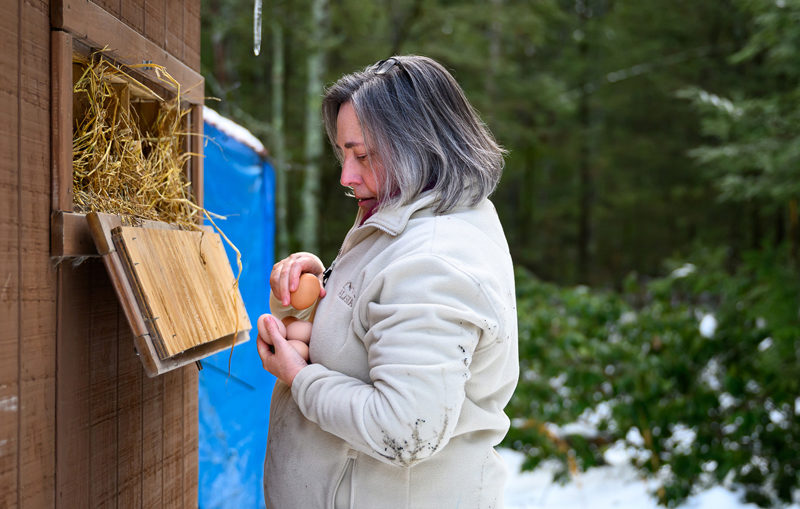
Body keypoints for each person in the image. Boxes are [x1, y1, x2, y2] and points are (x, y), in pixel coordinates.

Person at [256, 55, 519, 509]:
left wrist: (298, 376)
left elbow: (404, 430)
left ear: (420, 145)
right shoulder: (406, 214)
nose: (346, 175)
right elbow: (377, 321)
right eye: (343, 154)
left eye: (363, 155)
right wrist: (323, 295)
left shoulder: (435, 260)